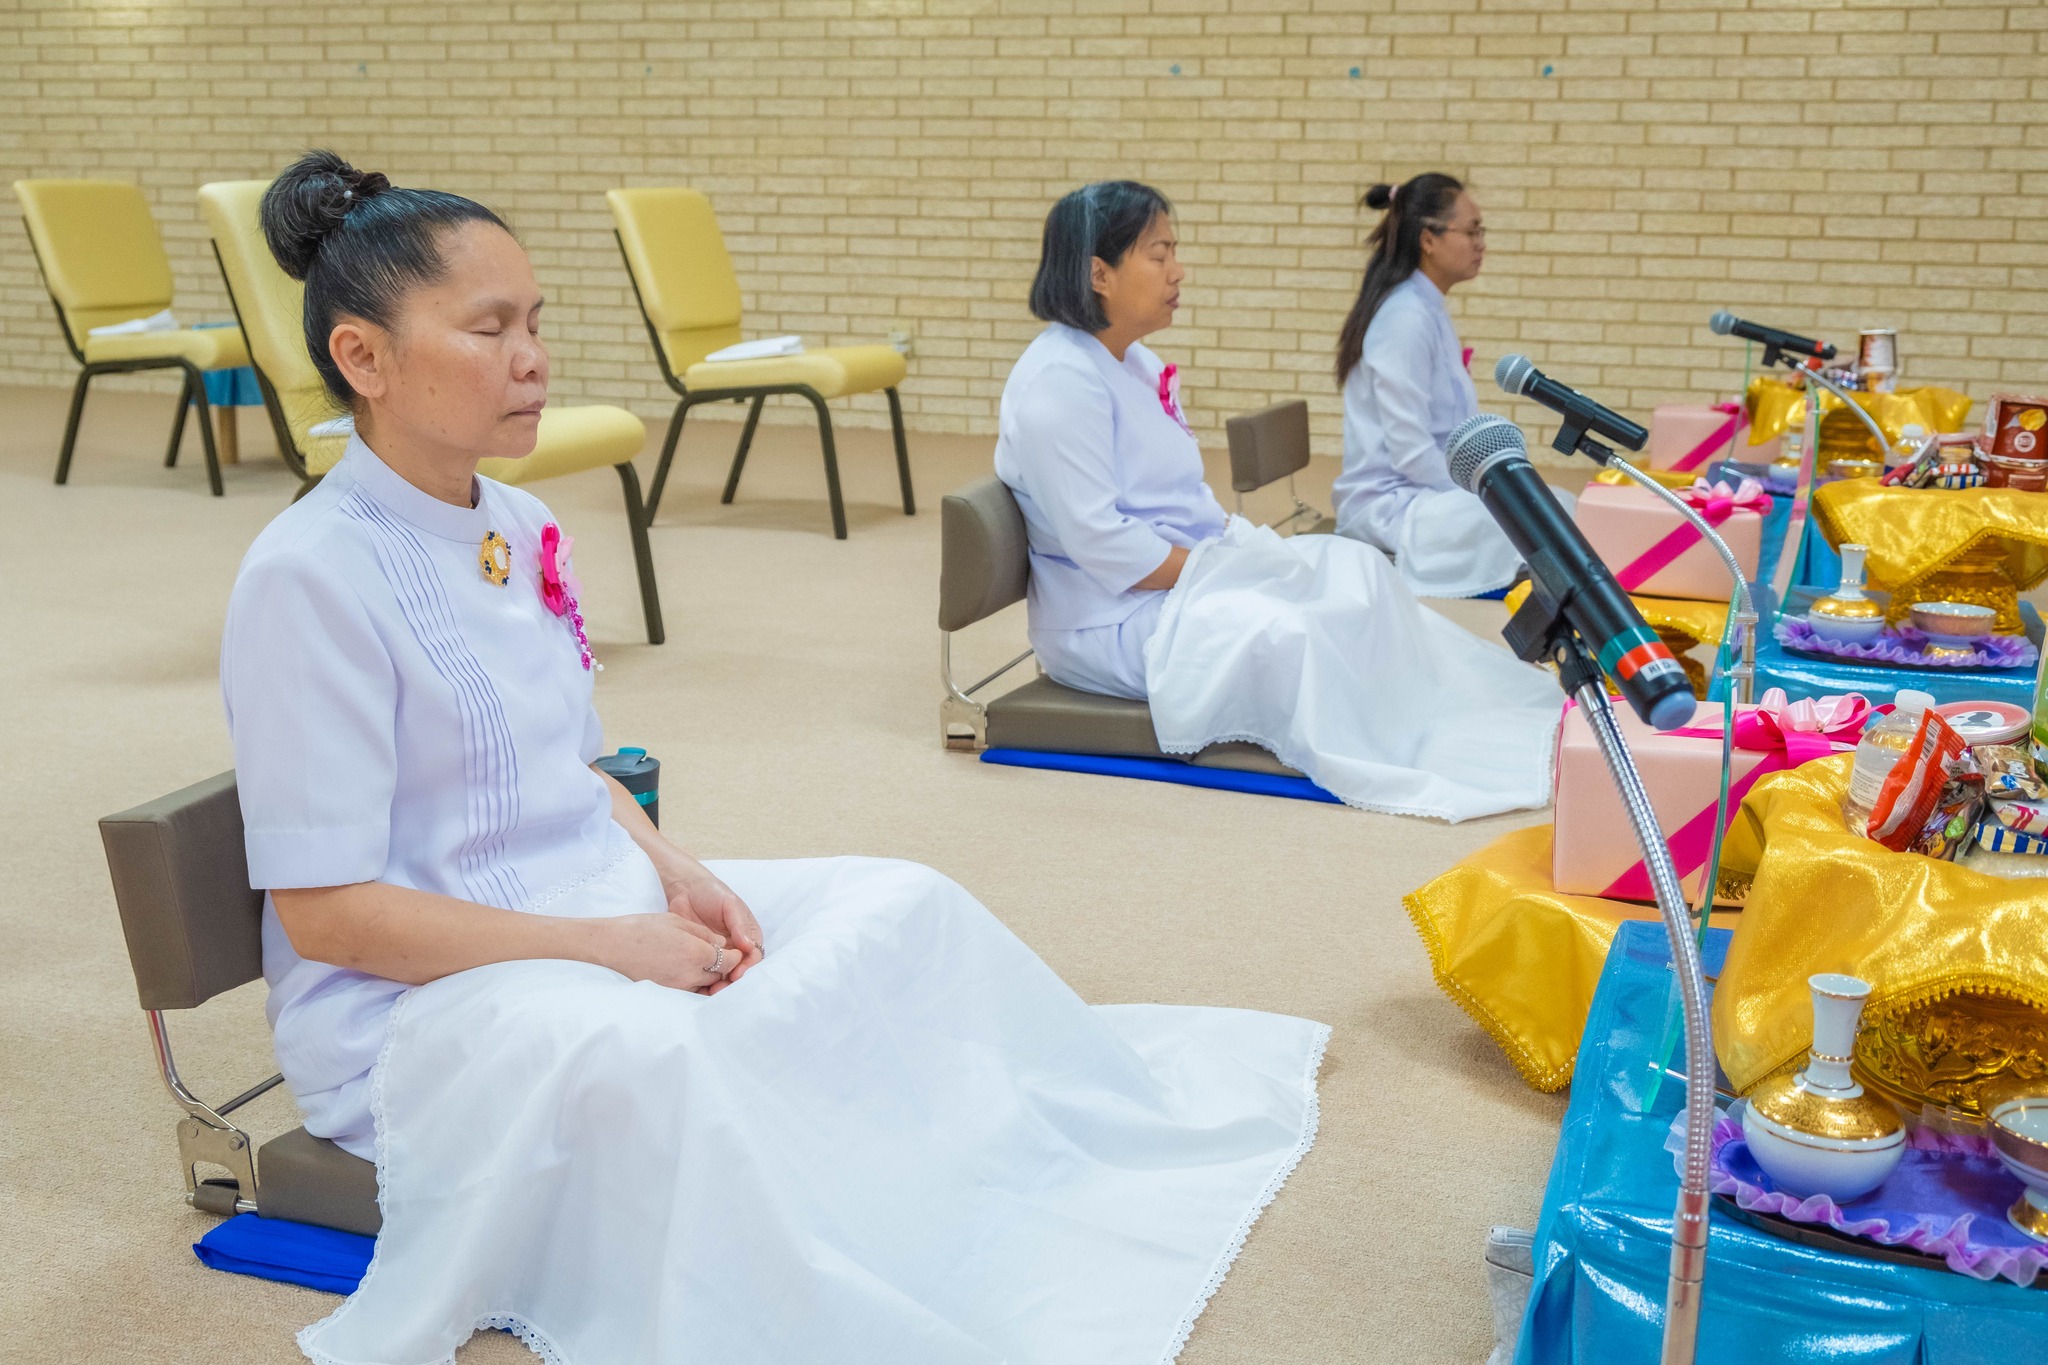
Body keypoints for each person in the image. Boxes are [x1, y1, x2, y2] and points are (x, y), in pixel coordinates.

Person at [222, 151, 1327, 1365]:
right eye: (488, 328)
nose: (532, 359)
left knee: (901, 907)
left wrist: (672, 866)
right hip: (411, 1011)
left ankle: (964, 1212)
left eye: (535, 322)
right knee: (690, 1051)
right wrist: (608, 946)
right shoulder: (308, 575)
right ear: (362, 358)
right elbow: (327, 916)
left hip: (581, 901)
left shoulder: (518, 524)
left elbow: (571, 770)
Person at [993, 181, 1562, 822]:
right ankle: (1408, 748)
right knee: (1297, 630)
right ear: (1100, 273)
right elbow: (1103, 544)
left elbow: (1185, 500)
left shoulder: (1135, 362)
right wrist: (1228, 565)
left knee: (1358, 574)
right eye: (1160, 254)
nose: (1178, 271)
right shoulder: (1058, 384)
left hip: (1176, 582)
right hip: (1112, 619)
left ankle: (1455, 724)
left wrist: (1247, 553)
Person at [1330, 173, 1574, 599]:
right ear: (1429, 239)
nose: (1481, 243)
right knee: (1544, 520)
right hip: (1394, 506)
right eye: (1472, 231)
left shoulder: (1425, 306)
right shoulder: (1405, 317)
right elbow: (1411, 454)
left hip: (1426, 493)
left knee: (1555, 509)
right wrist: (1488, 491)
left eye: (1482, 231)